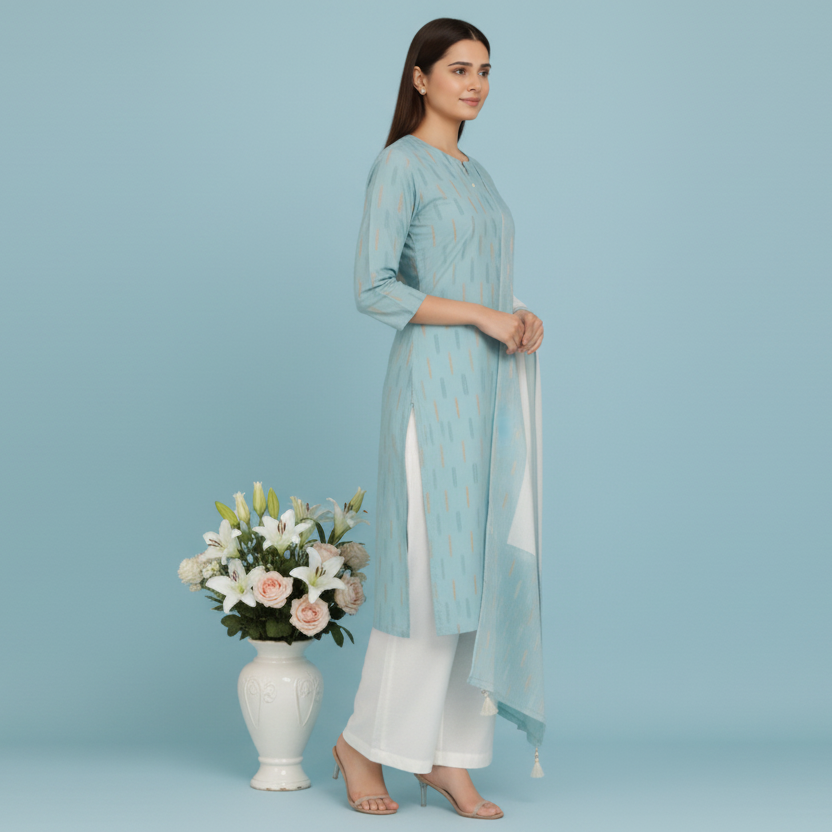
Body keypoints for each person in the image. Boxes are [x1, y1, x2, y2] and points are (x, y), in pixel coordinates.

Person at [332, 18, 546, 819]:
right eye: (459, 69)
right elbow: (374, 286)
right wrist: (481, 320)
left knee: (477, 578)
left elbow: (488, 283)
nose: (476, 84)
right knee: (428, 579)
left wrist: (518, 318)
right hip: (433, 393)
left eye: (486, 70)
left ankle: (450, 756)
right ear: (419, 77)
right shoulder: (401, 167)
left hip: (493, 394)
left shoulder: (477, 173)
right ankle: (364, 743)